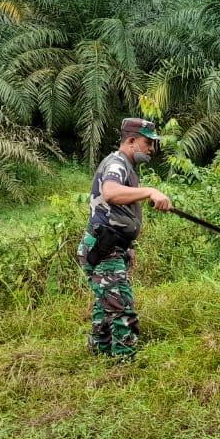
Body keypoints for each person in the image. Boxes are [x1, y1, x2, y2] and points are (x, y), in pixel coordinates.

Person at [77, 118, 172, 359]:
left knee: (106, 302)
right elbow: (110, 192)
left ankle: (100, 349)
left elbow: (120, 214)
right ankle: (124, 362)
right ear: (131, 141)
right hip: (103, 247)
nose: (151, 149)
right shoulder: (117, 164)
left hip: (113, 247)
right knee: (121, 308)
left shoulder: (128, 168)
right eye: (148, 142)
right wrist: (150, 191)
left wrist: (128, 247)